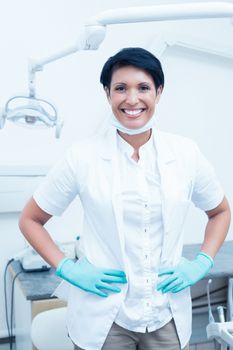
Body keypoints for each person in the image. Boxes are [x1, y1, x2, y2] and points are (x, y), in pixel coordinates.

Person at [19, 47, 231, 350]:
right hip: (104, 317)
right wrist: (67, 267)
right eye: (121, 88)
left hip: (165, 315)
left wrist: (202, 261)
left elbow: (220, 211)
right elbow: (31, 220)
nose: (132, 99)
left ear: (158, 92)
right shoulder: (81, 157)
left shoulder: (185, 153)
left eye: (143, 87)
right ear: (108, 94)